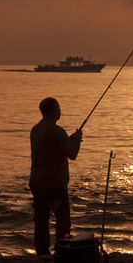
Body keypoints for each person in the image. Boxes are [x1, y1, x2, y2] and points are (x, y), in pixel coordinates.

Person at [29, 97, 82, 256]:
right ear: (53, 110)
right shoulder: (57, 131)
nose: (60, 110)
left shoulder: (36, 129)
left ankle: (42, 254)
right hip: (54, 185)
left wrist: (68, 140)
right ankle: (62, 254)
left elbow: (51, 150)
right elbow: (72, 154)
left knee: (41, 222)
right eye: (58, 107)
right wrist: (77, 140)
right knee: (63, 221)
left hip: (37, 183)